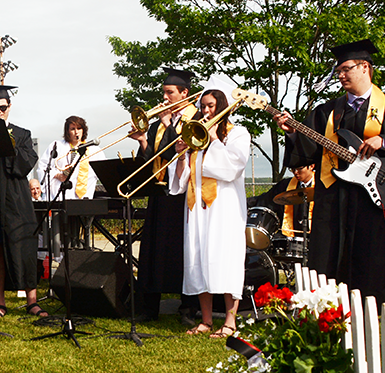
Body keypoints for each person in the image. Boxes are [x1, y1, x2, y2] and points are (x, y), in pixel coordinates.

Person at [274, 39, 385, 310]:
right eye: (339, 70)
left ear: (365, 67)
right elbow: (306, 155)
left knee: (374, 259)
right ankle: (331, 312)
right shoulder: (326, 112)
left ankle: (375, 314)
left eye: (346, 69)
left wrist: (384, 141)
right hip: (334, 199)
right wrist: (293, 134)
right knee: (330, 256)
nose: (340, 75)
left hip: (375, 200)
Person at [170, 81, 251, 338]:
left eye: (211, 106)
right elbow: (181, 183)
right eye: (203, 106)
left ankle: (230, 321)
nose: (205, 111)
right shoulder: (195, 136)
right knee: (199, 260)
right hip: (197, 210)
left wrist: (214, 138)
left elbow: (232, 168)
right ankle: (205, 320)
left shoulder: (238, 133)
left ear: (223, 107)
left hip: (224, 209)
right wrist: (182, 155)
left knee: (225, 260)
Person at [132, 67, 202, 324]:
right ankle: (149, 308)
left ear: (185, 93)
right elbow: (155, 159)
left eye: (170, 92)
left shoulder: (196, 117)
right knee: (152, 250)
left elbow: (179, 151)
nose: (165, 97)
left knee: (184, 250)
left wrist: (167, 124)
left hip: (185, 192)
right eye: (164, 92)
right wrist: (142, 141)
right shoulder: (161, 123)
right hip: (159, 191)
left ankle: (188, 309)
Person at [0, 84, 46, 319]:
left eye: (2, 107)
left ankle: (32, 302)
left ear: (9, 107)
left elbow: (24, 165)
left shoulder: (22, 134)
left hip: (16, 198)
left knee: (24, 247)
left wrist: (6, 140)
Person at [36, 116, 101, 201]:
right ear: (67, 131)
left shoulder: (94, 150)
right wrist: (57, 175)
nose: (76, 132)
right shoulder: (57, 145)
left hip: (84, 198)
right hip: (58, 195)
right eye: (72, 129)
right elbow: (43, 167)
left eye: (79, 128)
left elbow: (103, 171)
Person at [249, 164, 315, 239]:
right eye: (292, 169)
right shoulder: (285, 185)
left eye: (299, 168)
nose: (295, 172)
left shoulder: (323, 188)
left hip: (316, 238)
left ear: (311, 166)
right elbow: (264, 200)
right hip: (288, 238)